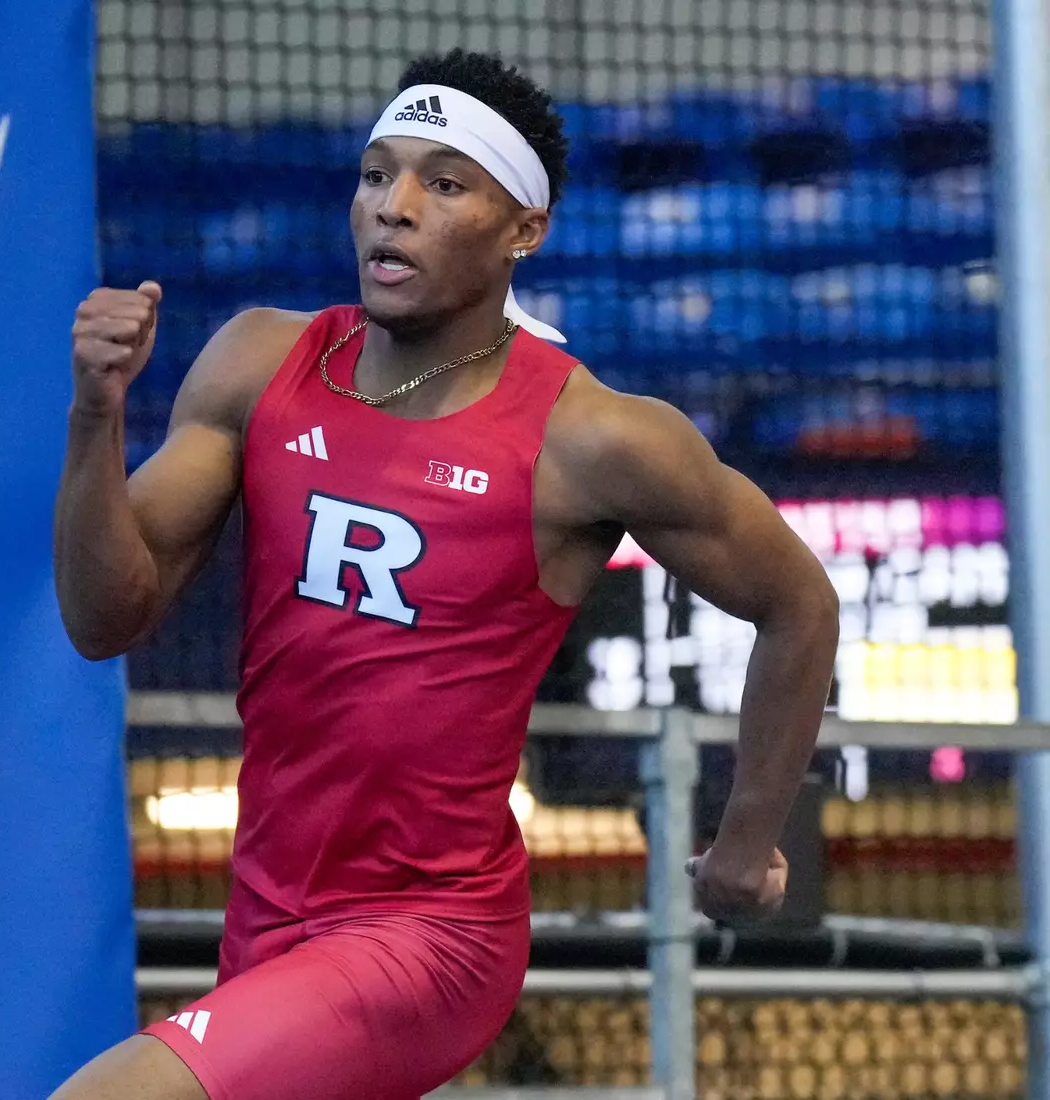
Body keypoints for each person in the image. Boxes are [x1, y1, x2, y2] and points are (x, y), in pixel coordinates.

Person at [52, 48, 839, 1100]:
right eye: (377, 174)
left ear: (524, 228)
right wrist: (94, 418)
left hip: (431, 931)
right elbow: (105, 615)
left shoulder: (590, 436)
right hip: (267, 915)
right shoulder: (258, 362)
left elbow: (798, 602)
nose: (394, 207)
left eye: (444, 182)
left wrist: (746, 842)